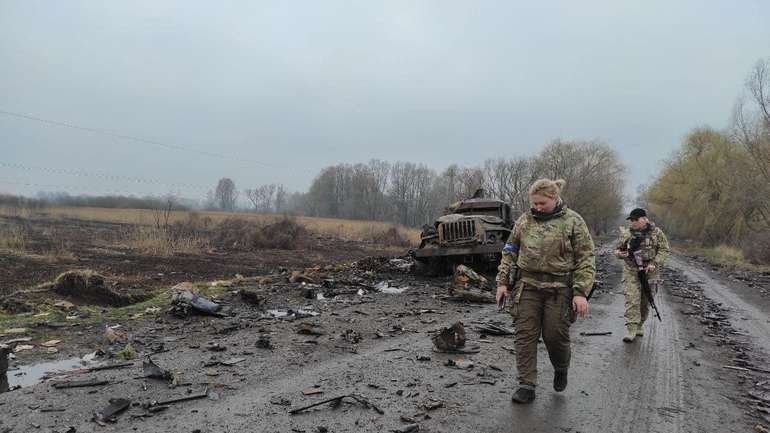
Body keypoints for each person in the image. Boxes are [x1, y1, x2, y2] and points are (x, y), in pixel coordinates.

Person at [495, 178, 596, 404]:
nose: (538, 208)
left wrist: (580, 292)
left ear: (555, 198)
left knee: (554, 336)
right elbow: (510, 251)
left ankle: (561, 367)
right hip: (527, 287)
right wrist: (502, 282)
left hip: (559, 289)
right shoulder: (524, 221)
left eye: (542, 203)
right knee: (525, 336)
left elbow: (586, 258)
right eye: (535, 204)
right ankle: (526, 384)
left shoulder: (573, 221)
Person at [614, 208, 669, 342]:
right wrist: (619, 254)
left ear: (644, 219)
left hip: (650, 271)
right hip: (631, 270)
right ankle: (631, 329)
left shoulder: (656, 233)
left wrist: (654, 263)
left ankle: (639, 325)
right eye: (631, 220)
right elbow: (618, 249)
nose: (633, 222)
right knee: (632, 299)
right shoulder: (626, 234)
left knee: (645, 301)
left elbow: (664, 250)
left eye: (635, 220)